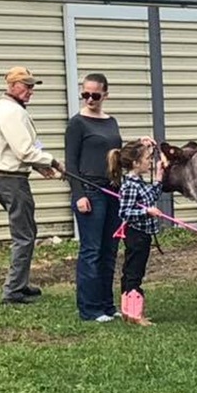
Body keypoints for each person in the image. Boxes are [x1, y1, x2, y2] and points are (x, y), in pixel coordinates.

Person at [0, 66, 64, 305]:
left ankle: (21, 283)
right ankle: (13, 291)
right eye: (26, 86)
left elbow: (16, 148)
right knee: (24, 235)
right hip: (11, 179)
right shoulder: (12, 113)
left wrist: (39, 167)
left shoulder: (3, 108)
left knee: (26, 231)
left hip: (3, 177)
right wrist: (53, 162)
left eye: (32, 86)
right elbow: (24, 150)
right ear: (12, 85)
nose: (30, 91)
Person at [65, 73, 124, 322]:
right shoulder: (77, 123)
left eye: (95, 95)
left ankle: (107, 305)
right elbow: (70, 163)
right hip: (90, 191)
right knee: (92, 250)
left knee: (110, 249)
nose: (90, 99)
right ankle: (89, 309)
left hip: (113, 191)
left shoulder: (111, 122)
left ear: (105, 95)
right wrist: (78, 194)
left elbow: (116, 155)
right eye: (85, 94)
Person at [110, 139, 167, 326]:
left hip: (143, 234)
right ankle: (135, 315)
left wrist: (159, 177)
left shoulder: (138, 182)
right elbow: (124, 213)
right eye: (147, 159)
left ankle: (128, 311)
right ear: (135, 163)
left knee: (131, 271)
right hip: (136, 235)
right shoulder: (129, 186)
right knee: (134, 272)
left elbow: (150, 196)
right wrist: (146, 211)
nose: (150, 162)